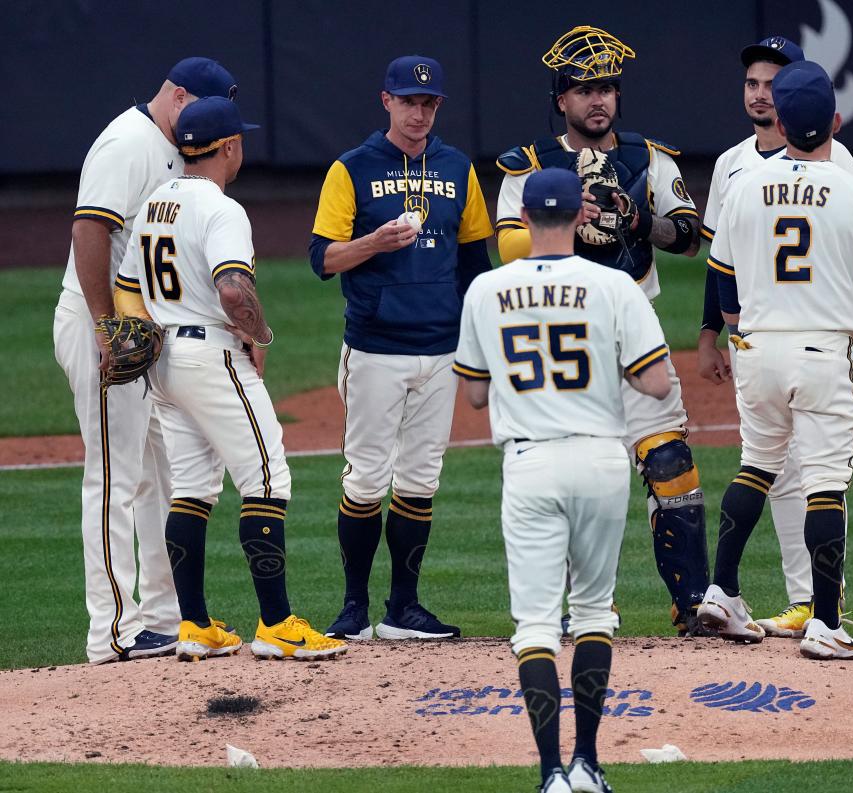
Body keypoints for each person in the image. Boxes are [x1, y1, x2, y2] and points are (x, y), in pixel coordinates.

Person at [456, 167, 671, 793]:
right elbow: (655, 383)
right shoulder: (613, 286)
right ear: (581, 215)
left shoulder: (485, 290)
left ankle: (550, 773)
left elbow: (472, 395)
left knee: (535, 626)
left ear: (522, 221)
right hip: (602, 461)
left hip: (530, 464)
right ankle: (589, 765)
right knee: (595, 613)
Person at [113, 96, 347, 662]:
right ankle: (276, 624)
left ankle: (194, 626)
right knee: (268, 479)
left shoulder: (153, 205)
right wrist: (261, 335)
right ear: (229, 147)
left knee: (192, 487)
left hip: (164, 364)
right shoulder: (223, 210)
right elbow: (233, 291)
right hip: (210, 357)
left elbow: (126, 288)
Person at [496, 25, 710, 636]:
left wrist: (640, 219)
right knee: (579, 479)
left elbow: (690, 238)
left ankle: (692, 602)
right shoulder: (531, 165)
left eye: (608, 88)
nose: (599, 100)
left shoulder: (649, 158)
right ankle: (592, 610)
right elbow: (507, 244)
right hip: (564, 342)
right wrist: (562, 220)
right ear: (561, 99)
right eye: (585, 89)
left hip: (637, 328)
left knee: (671, 461)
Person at [697, 60, 853, 660]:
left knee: (755, 465)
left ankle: (722, 591)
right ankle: (827, 622)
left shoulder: (740, 186)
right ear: (836, 120)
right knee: (825, 482)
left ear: (779, 120)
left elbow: (723, 281)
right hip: (823, 350)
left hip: (756, 348)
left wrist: (738, 337)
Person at [53, 57, 241, 664]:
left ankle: (164, 616)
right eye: (200, 108)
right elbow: (88, 231)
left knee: (161, 472)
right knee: (114, 475)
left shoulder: (163, 142)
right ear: (176, 94)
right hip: (100, 322)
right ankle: (111, 630)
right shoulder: (128, 143)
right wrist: (110, 326)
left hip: (144, 329)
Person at [309, 55, 493, 641]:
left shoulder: (458, 167)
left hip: (440, 349)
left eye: (429, 103)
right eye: (409, 101)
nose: (419, 112)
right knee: (365, 479)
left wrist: (478, 346)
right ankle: (354, 608)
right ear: (385, 101)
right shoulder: (352, 168)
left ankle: (404, 609)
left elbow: (474, 264)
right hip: (375, 348)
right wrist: (373, 242)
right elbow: (322, 259)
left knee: (420, 479)